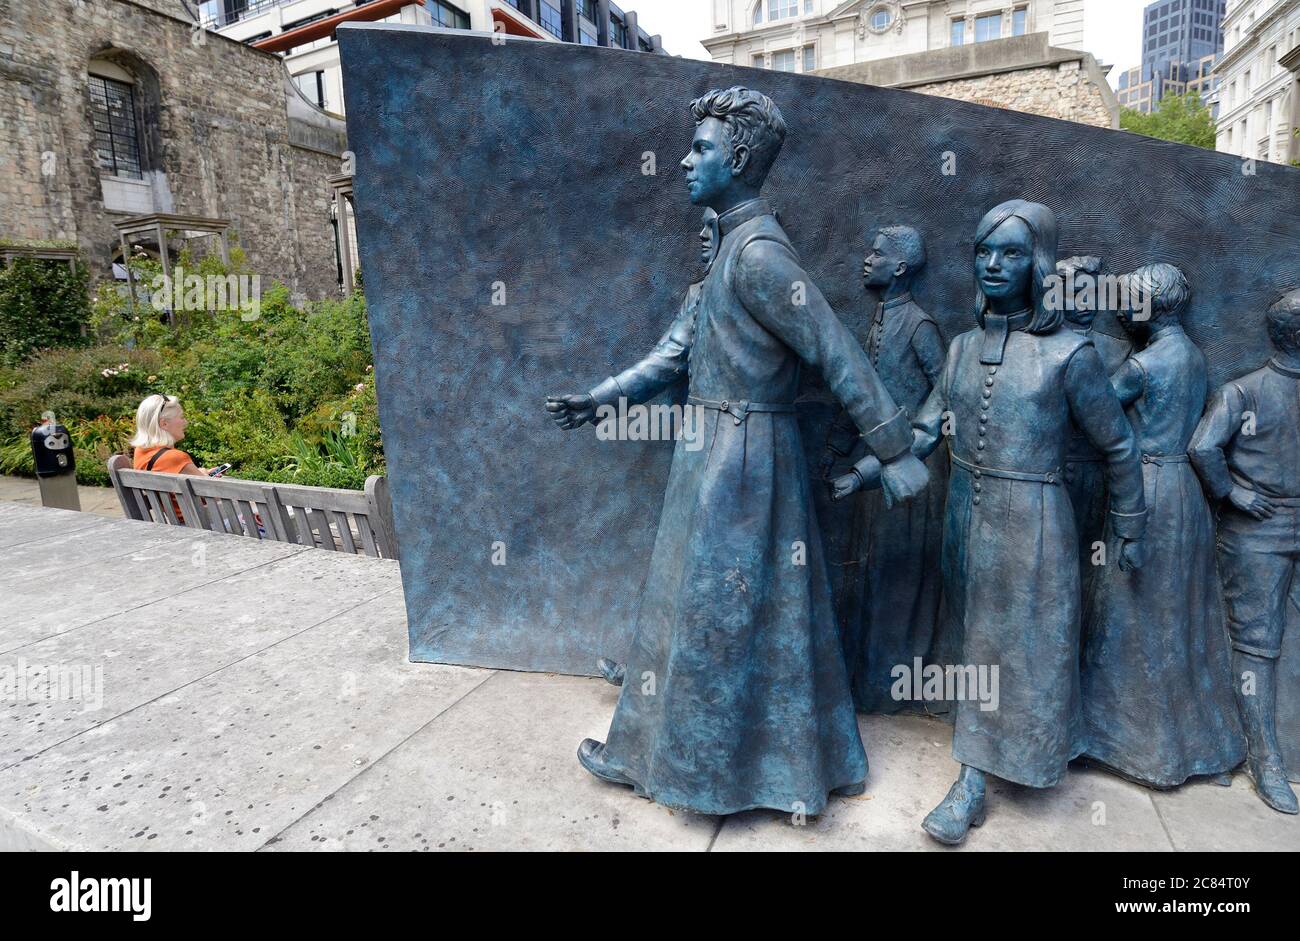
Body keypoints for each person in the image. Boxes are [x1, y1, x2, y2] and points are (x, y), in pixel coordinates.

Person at [545, 87, 928, 816]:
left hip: (743, 461)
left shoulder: (758, 257)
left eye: (702, 149)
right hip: (714, 452)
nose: (685, 162)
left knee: (730, 615)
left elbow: (835, 347)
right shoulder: (729, 251)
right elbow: (675, 352)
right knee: (719, 612)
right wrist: (603, 398)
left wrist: (895, 447)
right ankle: (713, 764)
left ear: (741, 158)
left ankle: (709, 774)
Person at [833, 200, 1147, 844]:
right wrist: (867, 473)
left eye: (1011, 253)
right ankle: (993, 756)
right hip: (965, 513)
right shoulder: (962, 347)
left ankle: (972, 782)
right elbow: (924, 426)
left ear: (1039, 264)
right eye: (984, 252)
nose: (994, 265)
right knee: (977, 637)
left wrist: (1130, 524)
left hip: (1034, 519)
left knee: (1018, 643)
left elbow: (1118, 445)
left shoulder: (1070, 354)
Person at [1081, 264, 1243, 788]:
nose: (1123, 312)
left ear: (1156, 305)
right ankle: (1195, 745)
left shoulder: (1144, 365)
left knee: (1131, 613)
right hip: (1184, 496)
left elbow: (1090, 408)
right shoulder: (1193, 355)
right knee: (1177, 617)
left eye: (1130, 301)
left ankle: (1127, 744)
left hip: (1147, 492)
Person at [822, 225, 949, 714]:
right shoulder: (878, 320)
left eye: (876, 253)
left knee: (899, 580)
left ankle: (892, 685)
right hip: (872, 473)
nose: (866, 258)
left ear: (899, 268)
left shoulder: (919, 327)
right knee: (869, 574)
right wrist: (837, 450)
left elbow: (944, 397)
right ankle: (867, 678)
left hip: (909, 477)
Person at [1189, 288, 1300, 814]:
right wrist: (1233, 492)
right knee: (1258, 645)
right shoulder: (1243, 392)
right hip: (1259, 535)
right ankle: (1265, 758)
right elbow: (1203, 446)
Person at [130, 394, 210, 476]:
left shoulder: (140, 451)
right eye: (181, 417)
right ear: (164, 424)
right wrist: (204, 474)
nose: (186, 422)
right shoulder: (176, 458)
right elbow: (209, 486)